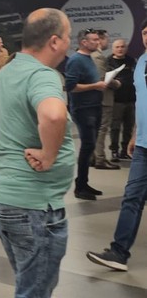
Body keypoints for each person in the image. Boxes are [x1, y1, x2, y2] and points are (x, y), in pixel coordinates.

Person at [0, 8, 76, 298]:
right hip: (33, 204)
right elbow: (53, 114)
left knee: (34, 282)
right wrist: (51, 155)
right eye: (68, 35)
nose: (70, 42)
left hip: (2, 196)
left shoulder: (7, 72)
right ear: (54, 40)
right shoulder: (43, 76)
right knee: (34, 290)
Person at [86, 18, 147, 271]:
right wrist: (134, 135)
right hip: (144, 146)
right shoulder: (142, 61)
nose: (146, 36)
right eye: (145, 32)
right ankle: (118, 253)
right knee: (132, 197)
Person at [65, 28, 108, 200]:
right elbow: (71, 87)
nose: (98, 42)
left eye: (98, 39)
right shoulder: (76, 60)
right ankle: (80, 186)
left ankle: (84, 182)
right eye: (94, 40)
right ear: (84, 42)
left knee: (89, 146)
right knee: (87, 146)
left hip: (94, 106)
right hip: (83, 109)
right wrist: (95, 86)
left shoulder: (87, 58)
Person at [91, 30, 121, 170]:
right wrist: (116, 83)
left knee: (97, 129)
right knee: (102, 129)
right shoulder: (98, 57)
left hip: (96, 99)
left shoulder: (92, 56)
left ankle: (94, 157)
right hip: (103, 98)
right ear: (100, 40)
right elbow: (102, 79)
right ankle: (100, 159)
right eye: (106, 40)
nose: (107, 43)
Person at [107, 39, 137, 162]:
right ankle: (114, 150)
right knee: (115, 127)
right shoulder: (108, 62)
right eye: (117, 47)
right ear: (113, 49)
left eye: (122, 47)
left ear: (126, 48)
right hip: (116, 100)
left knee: (128, 127)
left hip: (131, 100)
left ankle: (125, 150)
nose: (120, 49)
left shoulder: (131, 61)